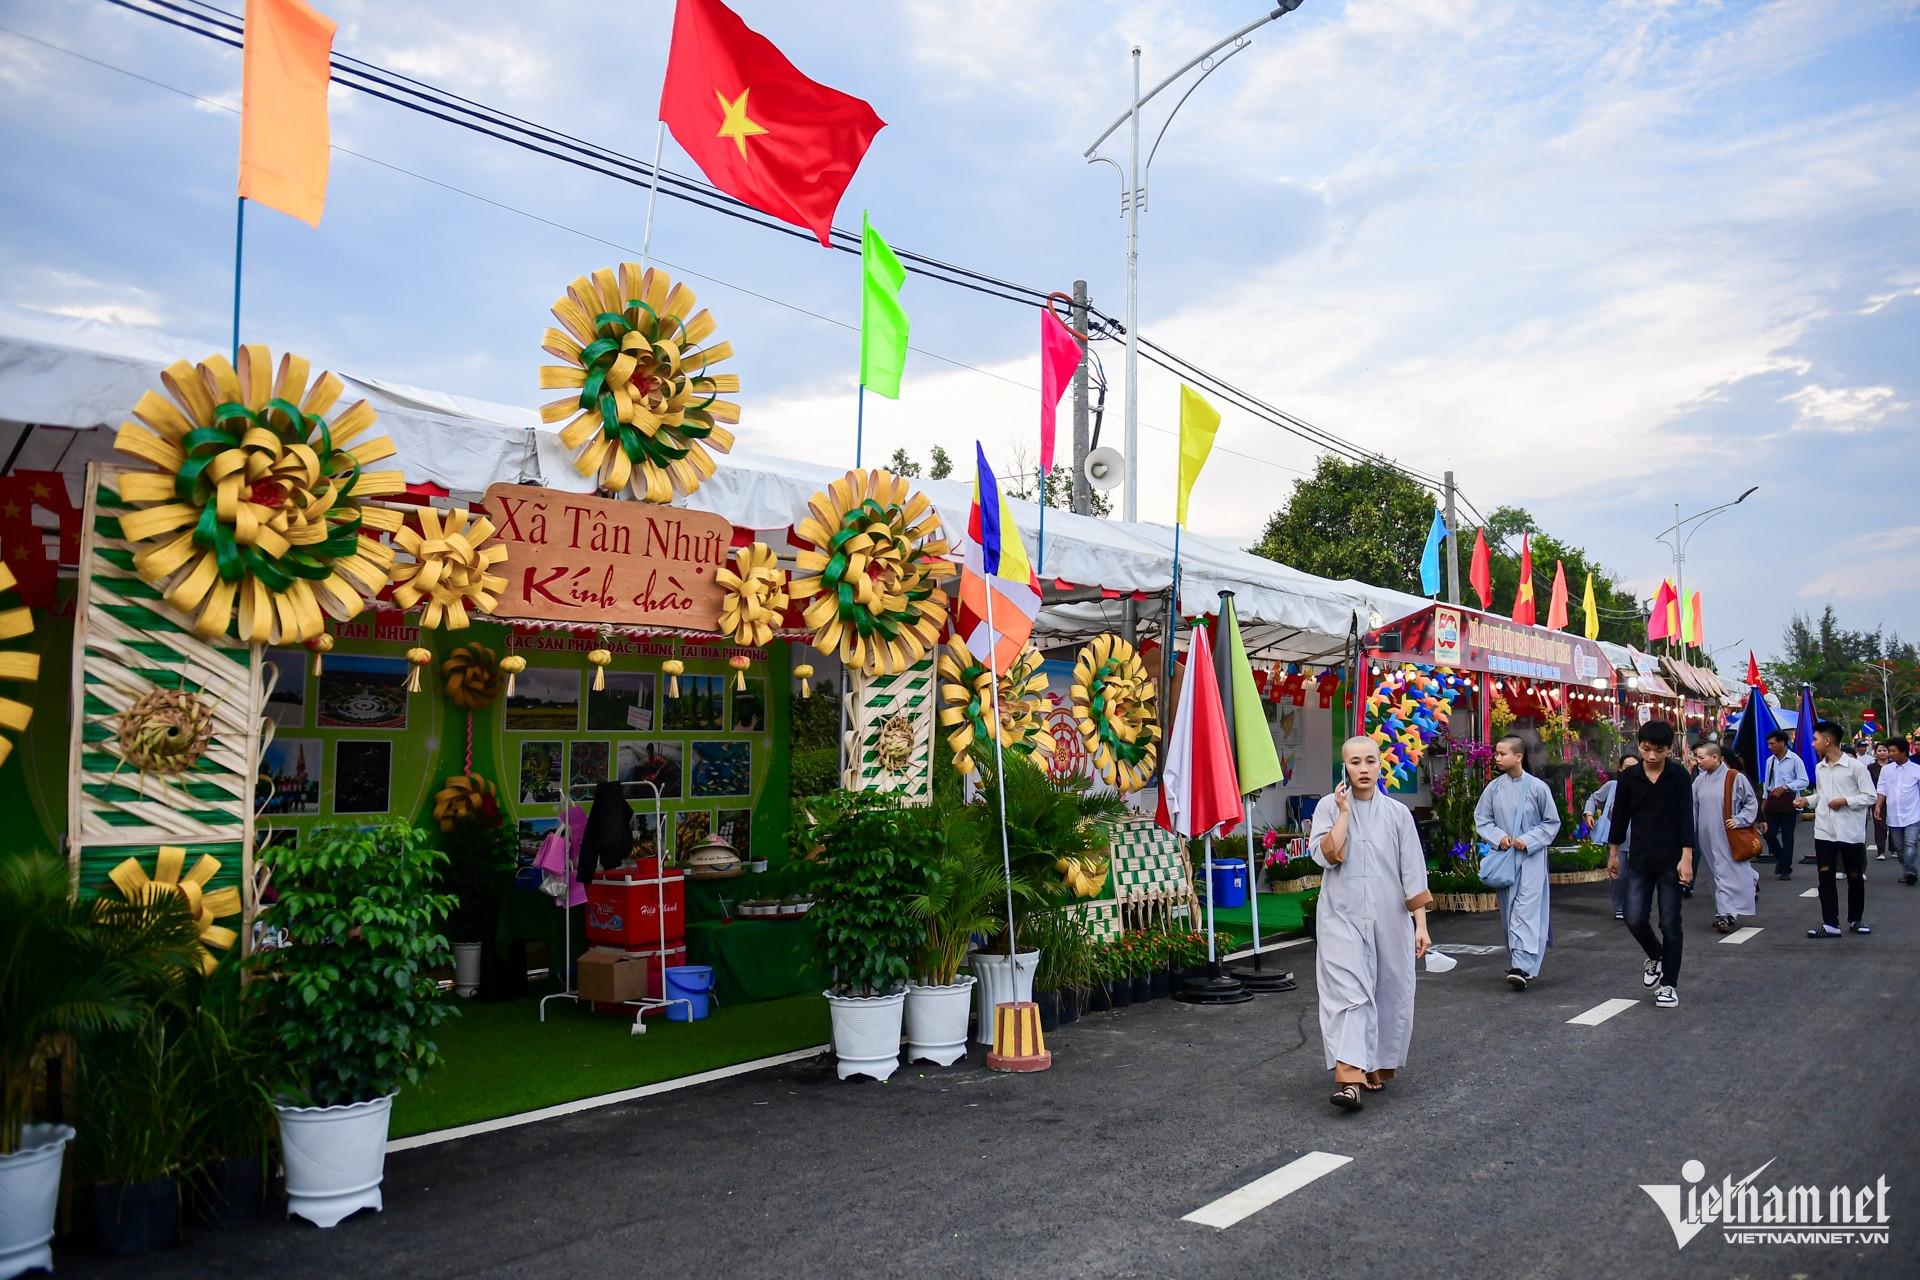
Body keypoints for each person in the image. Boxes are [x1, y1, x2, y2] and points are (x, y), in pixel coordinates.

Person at [1308, 735, 1433, 1112]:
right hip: (1340, 917)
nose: (1363, 769)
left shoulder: (1397, 814)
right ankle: (1349, 1079)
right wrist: (1344, 813)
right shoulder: (1328, 807)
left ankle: (1373, 1065)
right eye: (1355, 762)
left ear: (1381, 766)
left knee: (1387, 990)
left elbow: (1412, 871)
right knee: (1349, 995)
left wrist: (1421, 925)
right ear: (1343, 767)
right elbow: (1326, 857)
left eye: (1370, 761)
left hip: (1389, 918)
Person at [1606, 720, 1696, 1010]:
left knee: (1670, 923)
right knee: (1633, 917)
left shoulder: (1679, 777)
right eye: (1646, 749)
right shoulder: (1630, 777)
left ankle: (1669, 984)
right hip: (1640, 858)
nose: (1652, 756)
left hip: (1671, 858)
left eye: (1658, 750)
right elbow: (1620, 817)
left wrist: (1687, 857)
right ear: (1639, 746)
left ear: (1669, 749)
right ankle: (1656, 955)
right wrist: (1613, 852)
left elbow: (1686, 819)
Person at [1474, 735, 1560, 990]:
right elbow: (1482, 819)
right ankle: (1520, 962)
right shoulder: (1494, 788)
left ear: (1518, 756)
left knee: (1526, 909)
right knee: (1510, 911)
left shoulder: (1537, 788)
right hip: (1505, 857)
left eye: (1502, 754)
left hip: (1531, 858)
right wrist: (1500, 838)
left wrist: (1529, 839)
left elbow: (1551, 823)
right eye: (1496, 754)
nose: (1497, 758)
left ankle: (1522, 966)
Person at [1805, 720, 1877, 938]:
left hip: (1850, 830)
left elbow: (1870, 796)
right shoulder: (1820, 767)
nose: (1812, 743)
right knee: (1825, 876)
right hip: (1824, 829)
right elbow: (1823, 796)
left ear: (1828, 741)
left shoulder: (1855, 767)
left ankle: (1855, 919)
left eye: (1815, 739)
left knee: (1854, 876)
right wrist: (1806, 800)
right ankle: (1830, 924)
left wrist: (1845, 800)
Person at [1691, 740, 1759, 933]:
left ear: (1716, 757)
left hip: (1727, 833)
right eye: (1697, 758)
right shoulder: (1699, 781)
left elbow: (1751, 803)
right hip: (1706, 834)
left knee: (1725, 871)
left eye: (1701, 758)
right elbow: (1693, 809)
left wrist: (1739, 820)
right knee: (1714, 872)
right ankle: (1727, 909)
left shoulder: (1734, 777)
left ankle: (1724, 913)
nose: (1698, 762)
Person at [1585, 754, 1638, 920]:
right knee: (1618, 876)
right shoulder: (1612, 786)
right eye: (1627, 767)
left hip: (1640, 840)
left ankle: (1636, 906)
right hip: (1618, 841)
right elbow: (1593, 799)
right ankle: (1620, 907)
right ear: (1620, 769)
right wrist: (1588, 814)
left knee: (1638, 877)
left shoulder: (1646, 787)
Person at [1760, 729, 1808, 881]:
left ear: (1782, 743)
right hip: (1772, 804)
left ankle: (1785, 868)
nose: (1769, 746)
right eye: (1768, 743)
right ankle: (1781, 859)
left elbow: (1804, 781)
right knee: (1768, 834)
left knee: (1788, 837)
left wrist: (1786, 787)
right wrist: (1764, 800)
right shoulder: (1770, 761)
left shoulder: (1794, 760)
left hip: (1789, 803)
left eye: (1772, 743)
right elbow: (1767, 783)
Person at [1875, 736, 1920, 886]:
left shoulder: (1916, 770)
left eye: (1894, 751)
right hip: (1894, 816)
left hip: (1913, 814)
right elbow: (1881, 789)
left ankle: (1910, 872)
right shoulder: (1886, 770)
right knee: (1900, 849)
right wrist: (1878, 806)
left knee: (1911, 844)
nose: (1891, 754)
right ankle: (1907, 868)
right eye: (1890, 751)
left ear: (1904, 752)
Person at [1869, 741, 1889, 858]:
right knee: (1879, 825)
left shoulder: (1894, 766)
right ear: (1875, 753)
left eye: (1884, 750)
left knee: (1894, 824)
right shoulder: (1871, 768)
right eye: (1879, 750)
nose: (1882, 753)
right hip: (1877, 799)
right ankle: (1880, 850)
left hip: (1894, 799)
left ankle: (1894, 848)